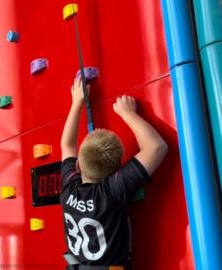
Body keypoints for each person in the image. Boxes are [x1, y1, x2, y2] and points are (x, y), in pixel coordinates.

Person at [60, 76, 168, 269]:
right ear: (116, 171)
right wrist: (128, 113)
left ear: (77, 167)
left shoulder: (68, 189)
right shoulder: (112, 191)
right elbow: (156, 147)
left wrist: (77, 102)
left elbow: (67, 145)